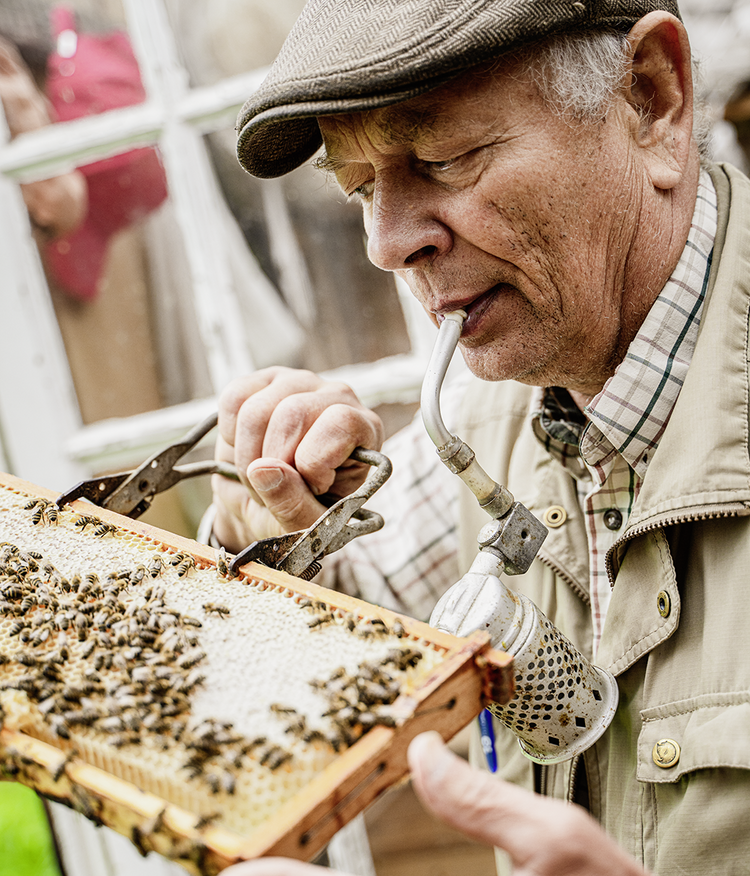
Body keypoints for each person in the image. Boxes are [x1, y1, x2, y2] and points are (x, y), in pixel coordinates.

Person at [211, 0, 750, 873]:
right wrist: (268, 527)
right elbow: (334, 664)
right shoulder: (489, 410)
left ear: (650, 99)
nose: (387, 244)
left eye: (445, 157)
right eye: (359, 190)